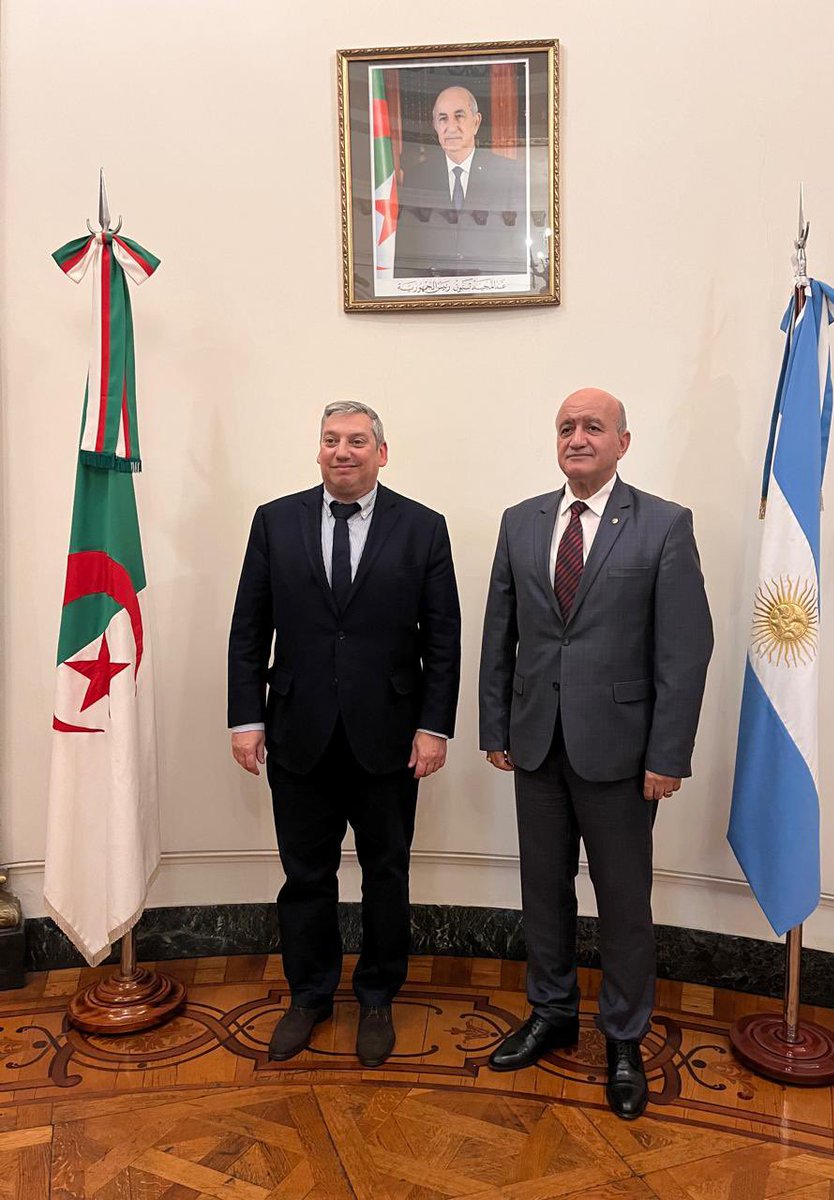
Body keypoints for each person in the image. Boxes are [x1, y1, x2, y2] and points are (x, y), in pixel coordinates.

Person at [479, 388, 713, 1120]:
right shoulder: (521, 523)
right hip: (536, 745)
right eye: (566, 427)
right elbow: (501, 631)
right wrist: (495, 727)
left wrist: (668, 753)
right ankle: (551, 1014)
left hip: (622, 754)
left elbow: (686, 648)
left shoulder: (665, 526)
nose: (577, 437)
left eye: (592, 427)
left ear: (623, 441)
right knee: (542, 893)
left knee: (622, 904)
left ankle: (622, 1038)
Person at [228, 401, 461, 1067]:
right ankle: (309, 994)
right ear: (318, 450)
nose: (342, 451)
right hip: (296, 731)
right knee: (306, 875)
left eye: (357, 441)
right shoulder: (275, 522)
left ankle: (379, 995)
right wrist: (247, 719)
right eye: (331, 440)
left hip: (389, 737)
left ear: (382, 453)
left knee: (386, 873)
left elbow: (442, 640)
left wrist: (433, 728)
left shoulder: (422, 528)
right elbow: (249, 628)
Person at [393, 85, 526, 279]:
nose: (451, 127)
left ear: (476, 122)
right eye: (443, 118)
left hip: (492, 294)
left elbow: (517, 246)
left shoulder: (506, 174)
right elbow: (408, 249)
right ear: (435, 125)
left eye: (459, 116)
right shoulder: (417, 177)